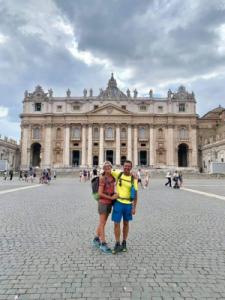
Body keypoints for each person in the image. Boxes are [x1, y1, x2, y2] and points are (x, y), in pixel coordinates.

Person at [111, 160, 138, 254]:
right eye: (125, 166)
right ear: (123, 166)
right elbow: (107, 169)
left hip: (128, 204)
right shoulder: (118, 174)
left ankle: (124, 242)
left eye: (128, 166)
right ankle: (117, 242)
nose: (126, 168)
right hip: (118, 202)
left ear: (131, 167)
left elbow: (135, 193)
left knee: (126, 223)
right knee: (116, 223)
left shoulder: (133, 178)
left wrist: (134, 207)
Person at [93, 161, 118, 253]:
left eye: (109, 167)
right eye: (106, 167)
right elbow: (100, 193)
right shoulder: (102, 178)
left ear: (111, 168)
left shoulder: (113, 177)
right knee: (102, 223)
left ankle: (96, 238)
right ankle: (103, 243)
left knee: (103, 222)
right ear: (103, 169)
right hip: (103, 202)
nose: (107, 169)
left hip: (109, 203)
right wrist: (111, 197)